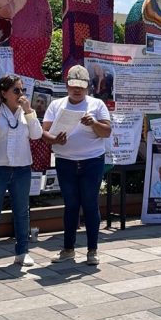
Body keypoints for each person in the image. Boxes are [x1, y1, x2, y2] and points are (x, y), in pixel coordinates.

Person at [42, 65, 111, 266]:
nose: (77, 90)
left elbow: (106, 132)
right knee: (71, 205)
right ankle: (68, 249)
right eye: (73, 86)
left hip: (92, 160)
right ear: (67, 85)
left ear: (88, 86)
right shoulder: (56, 105)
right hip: (65, 162)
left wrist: (94, 124)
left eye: (81, 86)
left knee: (90, 203)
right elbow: (44, 133)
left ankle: (92, 250)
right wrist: (55, 139)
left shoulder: (97, 105)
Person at [0, 75, 42, 270]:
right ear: (4, 93)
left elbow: (36, 135)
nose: (21, 94)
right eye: (16, 90)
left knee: (22, 212)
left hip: (21, 169)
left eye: (22, 90)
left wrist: (29, 111)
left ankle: (22, 253)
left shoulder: (26, 112)